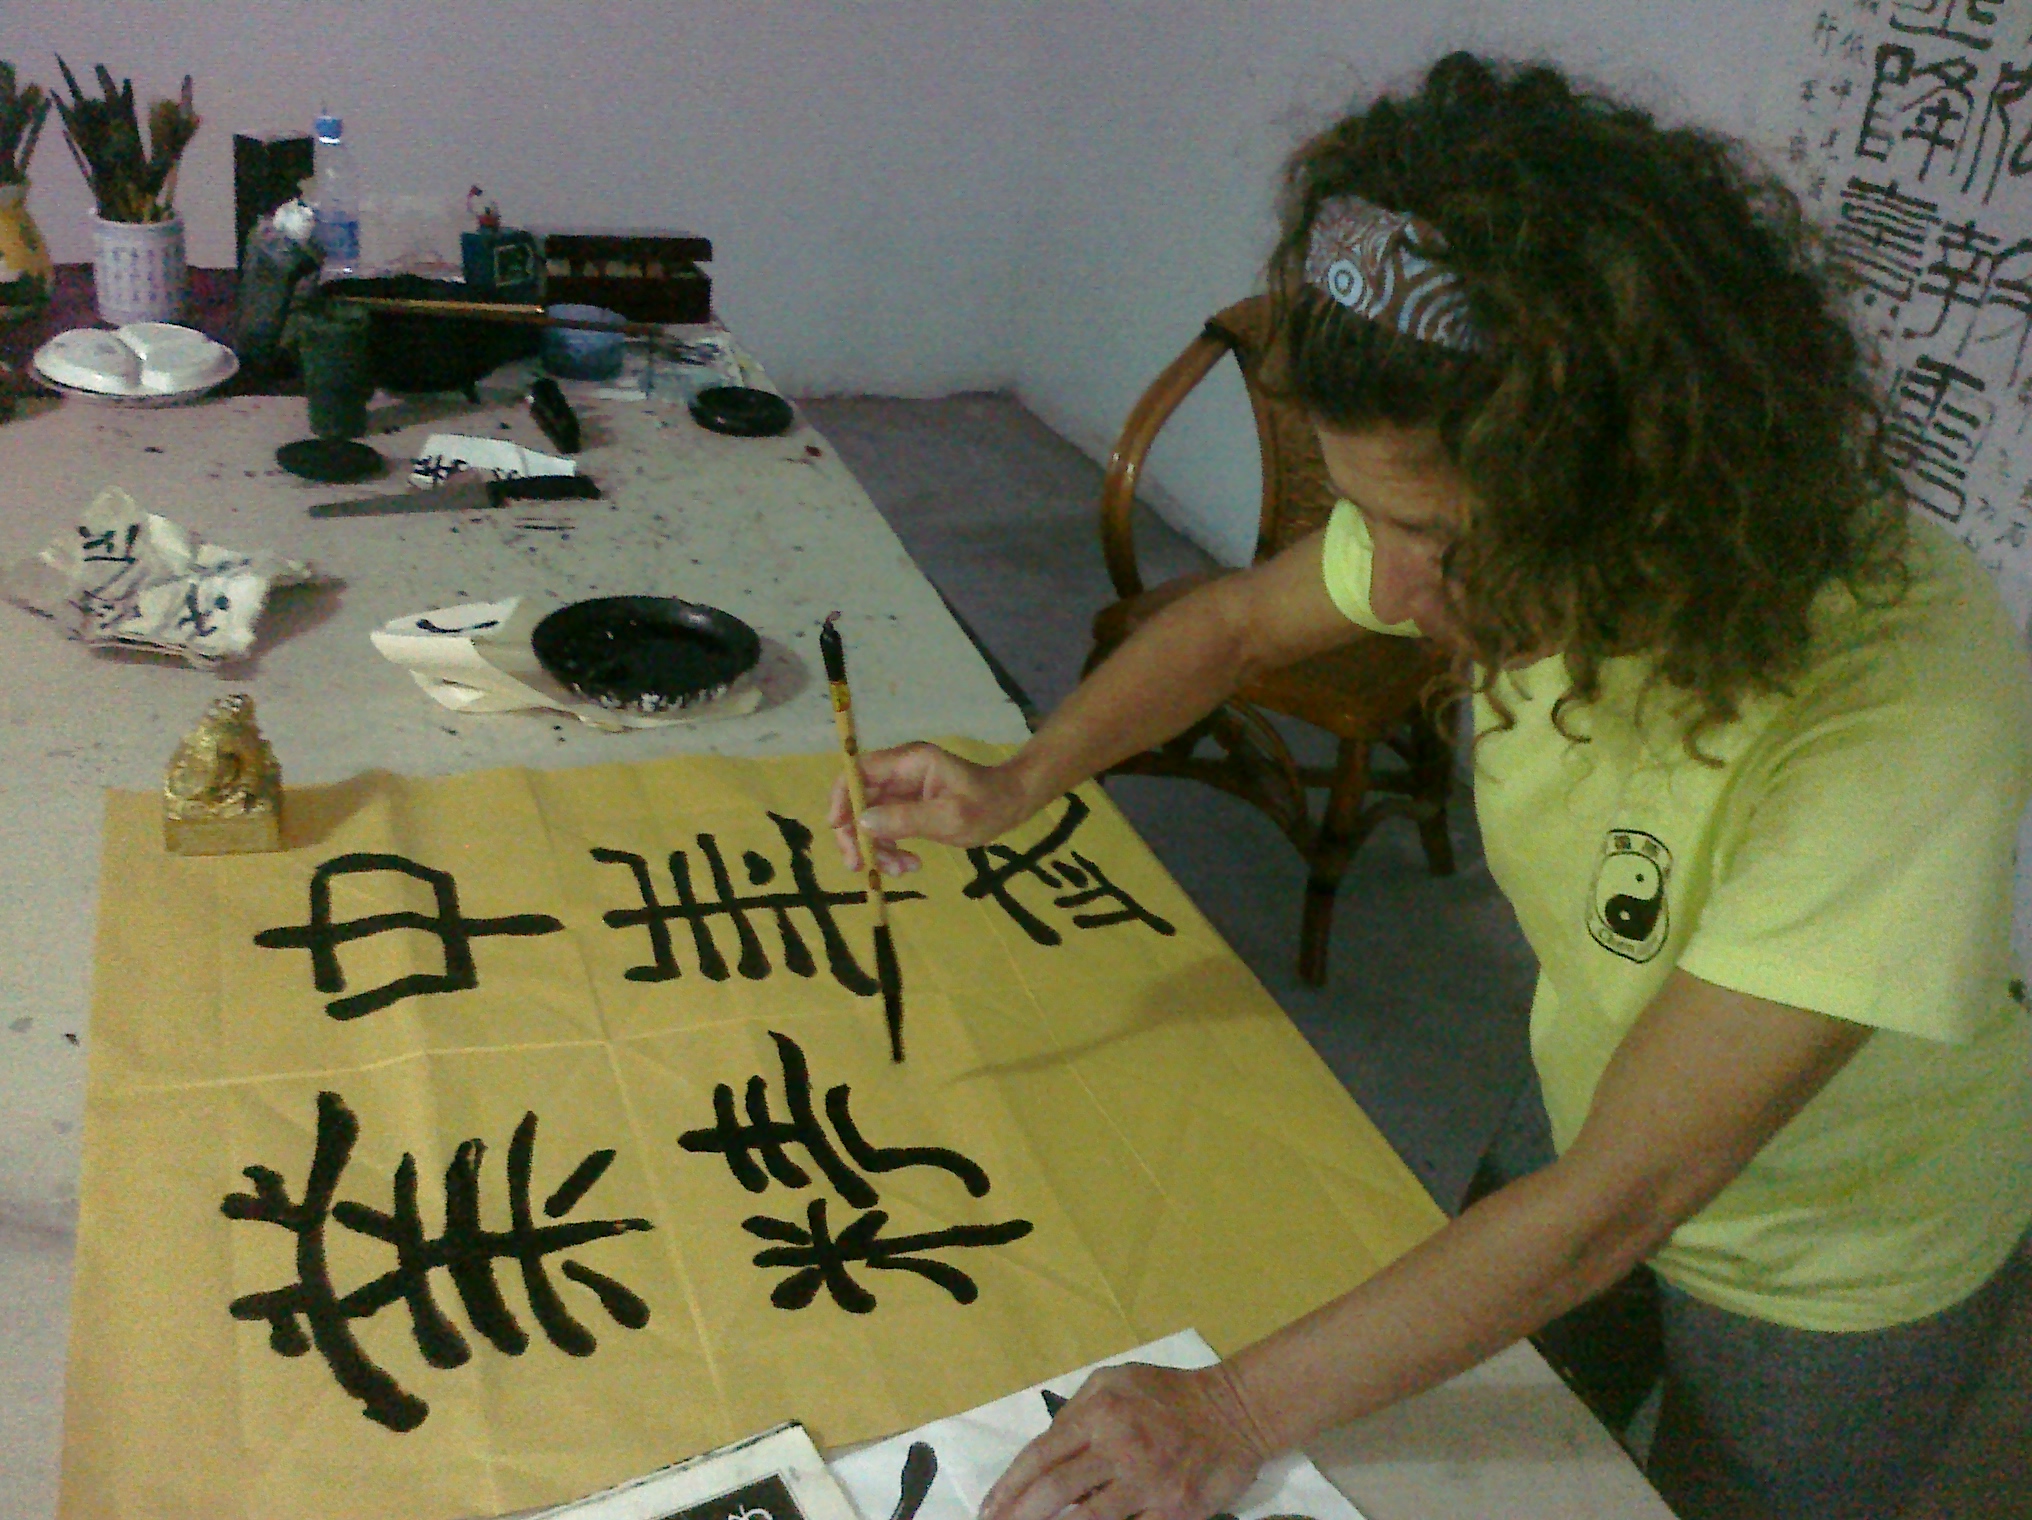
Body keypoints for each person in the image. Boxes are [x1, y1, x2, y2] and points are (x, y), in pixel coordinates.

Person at [830, 53, 2032, 1520]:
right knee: (1483, 1463)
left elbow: (1620, 1206)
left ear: (1641, 485)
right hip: (1583, 1099)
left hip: (1836, 1256)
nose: (1393, 592)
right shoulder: (1502, 507)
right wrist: (1022, 779)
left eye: (1441, 546)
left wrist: (1225, 1408)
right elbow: (1230, 626)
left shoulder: (1906, 701)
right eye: (1370, 519)